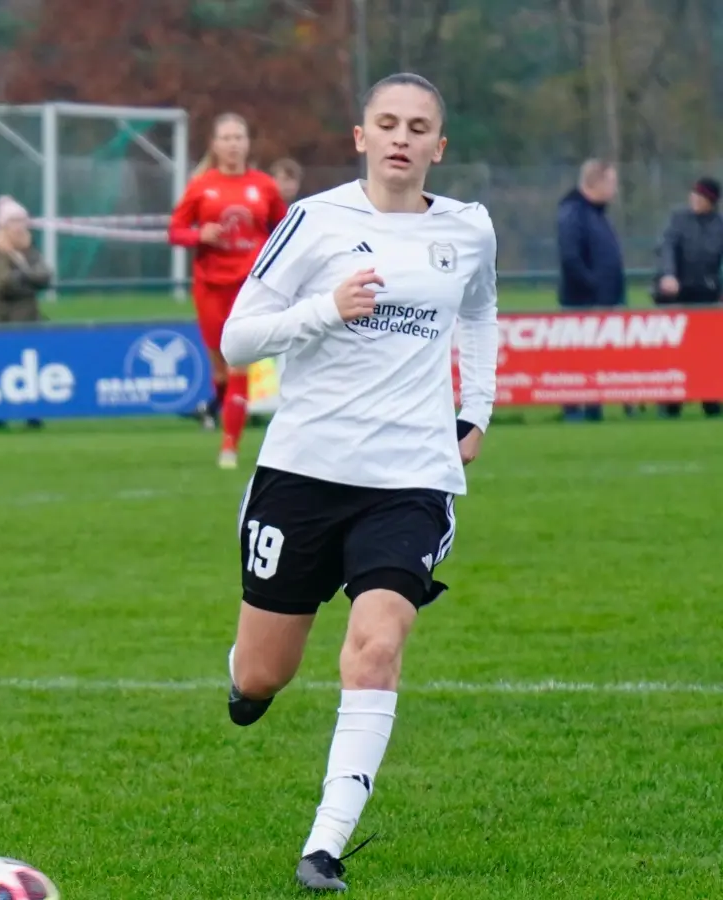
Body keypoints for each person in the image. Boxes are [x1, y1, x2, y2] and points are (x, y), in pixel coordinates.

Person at [216, 72, 497, 892]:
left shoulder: (469, 230)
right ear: (361, 137)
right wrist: (326, 310)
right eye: (388, 123)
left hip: (409, 478)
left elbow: (479, 312)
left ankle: (324, 846)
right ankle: (244, 677)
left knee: (375, 648)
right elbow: (237, 341)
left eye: (419, 127)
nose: (402, 137)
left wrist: (474, 408)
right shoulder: (314, 220)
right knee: (264, 673)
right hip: (302, 473)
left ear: (438, 147)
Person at [168, 112, 288, 468]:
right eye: (227, 138)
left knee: (239, 365)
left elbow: (284, 231)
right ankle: (212, 408)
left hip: (249, 288)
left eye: (239, 137)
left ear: (248, 143)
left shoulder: (264, 186)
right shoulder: (201, 185)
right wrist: (198, 235)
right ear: (215, 145)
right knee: (220, 369)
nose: (234, 144)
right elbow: (175, 230)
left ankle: (229, 449)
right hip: (210, 286)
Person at [556, 158, 626, 422]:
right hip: (582, 303)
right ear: (596, 183)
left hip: (602, 301)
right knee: (576, 360)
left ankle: (593, 409)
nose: (615, 190)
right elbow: (571, 258)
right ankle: (574, 411)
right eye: (612, 183)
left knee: (596, 360)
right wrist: (594, 287)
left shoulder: (597, 214)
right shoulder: (573, 213)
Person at [653, 177, 723, 419]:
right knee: (674, 353)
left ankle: (711, 401)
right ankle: (671, 404)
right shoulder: (678, 219)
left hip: (707, 295)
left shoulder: (719, 225)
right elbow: (667, 248)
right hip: (676, 296)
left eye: (701, 197)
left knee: (708, 353)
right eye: (694, 195)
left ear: (711, 202)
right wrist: (669, 275)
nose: (695, 200)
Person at [0, 194, 51, 430]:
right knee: (3, 370)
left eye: (23, 220)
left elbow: (45, 275)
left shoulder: (30, 250)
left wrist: (24, 276)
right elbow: (1, 283)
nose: (21, 226)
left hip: (29, 322)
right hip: (3, 323)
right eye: (15, 221)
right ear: (3, 225)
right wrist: (28, 278)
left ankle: (33, 416)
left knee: (33, 371)